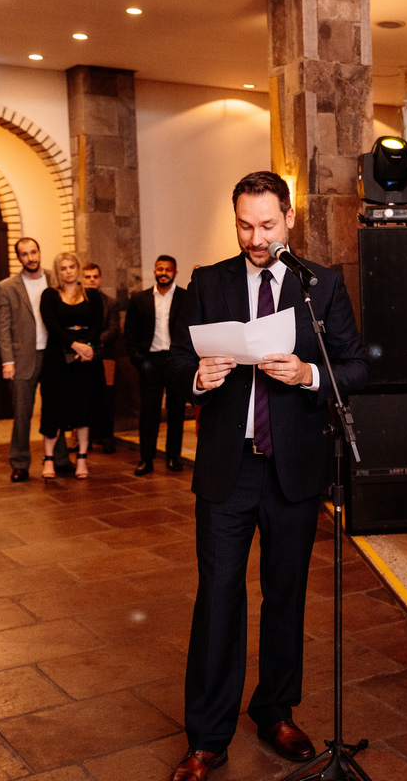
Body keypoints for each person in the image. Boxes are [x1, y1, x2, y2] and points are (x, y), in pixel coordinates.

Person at [166, 170, 367, 781]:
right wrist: (198, 378)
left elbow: (355, 367)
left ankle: (275, 709)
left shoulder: (319, 286)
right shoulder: (208, 283)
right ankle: (207, 734)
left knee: (285, 599)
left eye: (267, 224)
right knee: (218, 599)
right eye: (244, 225)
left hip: (293, 472)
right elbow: (173, 363)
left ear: (289, 218)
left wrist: (308, 374)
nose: (255, 237)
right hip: (227, 472)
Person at [0, 237, 69, 482]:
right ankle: (19, 462)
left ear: (39, 252)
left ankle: (60, 459)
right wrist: (8, 361)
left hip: (53, 354)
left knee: (56, 408)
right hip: (22, 358)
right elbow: (3, 327)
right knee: (22, 413)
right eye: (25, 254)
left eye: (34, 252)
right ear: (19, 258)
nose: (31, 257)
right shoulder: (7, 286)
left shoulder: (55, 278)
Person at [38, 252, 105, 480]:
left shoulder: (92, 295)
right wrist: (74, 344)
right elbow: (52, 325)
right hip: (58, 358)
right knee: (53, 408)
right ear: (58, 272)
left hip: (86, 359)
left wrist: (88, 347)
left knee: (83, 408)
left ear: (78, 269)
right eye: (63, 268)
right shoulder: (49, 295)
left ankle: (82, 460)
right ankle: (48, 460)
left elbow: (98, 323)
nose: (68, 271)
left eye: (71, 267)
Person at [125, 255, 186, 475]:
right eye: (159, 269)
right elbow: (129, 331)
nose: (163, 273)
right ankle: (146, 459)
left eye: (168, 269)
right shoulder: (140, 299)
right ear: (154, 271)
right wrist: (137, 360)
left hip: (176, 362)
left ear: (175, 272)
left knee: (176, 411)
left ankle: (173, 457)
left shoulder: (185, 298)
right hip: (149, 362)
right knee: (149, 411)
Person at [81, 263, 119, 454]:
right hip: (80, 357)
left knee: (106, 399)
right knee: (82, 398)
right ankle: (83, 440)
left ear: (100, 278)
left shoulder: (110, 302)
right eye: (87, 277)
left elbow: (113, 330)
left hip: (105, 355)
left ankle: (107, 437)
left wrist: (91, 345)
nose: (92, 280)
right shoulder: (75, 301)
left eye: (95, 276)